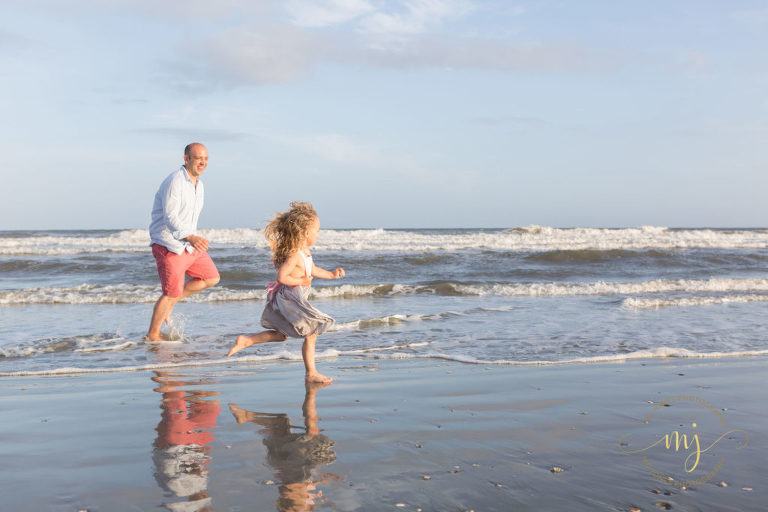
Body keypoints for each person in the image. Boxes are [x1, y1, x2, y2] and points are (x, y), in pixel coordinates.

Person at [227, 202, 344, 384]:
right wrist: (300, 281)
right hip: (290, 297)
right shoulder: (294, 254)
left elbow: (313, 269)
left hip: (294, 297)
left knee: (281, 335)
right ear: (306, 233)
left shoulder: (305, 252)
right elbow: (281, 277)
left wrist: (331, 274)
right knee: (311, 333)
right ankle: (311, 373)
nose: (319, 234)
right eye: (317, 230)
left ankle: (247, 341)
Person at [146, 143, 220, 341]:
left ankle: (172, 302)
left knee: (211, 278)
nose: (203, 162)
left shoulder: (199, 184)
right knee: (169, 292)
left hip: (187, 244)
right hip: (168, 244)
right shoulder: (175, 181)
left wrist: (192, 238)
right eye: (198, 158)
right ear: (186, 159)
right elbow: (171, 217)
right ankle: (152, 335)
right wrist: (192, 237)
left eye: (205, 159)